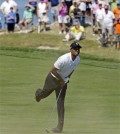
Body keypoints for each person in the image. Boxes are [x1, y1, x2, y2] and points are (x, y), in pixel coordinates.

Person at [35, 42, 82, 133]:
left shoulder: (78, 59)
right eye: (75, 48)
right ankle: (38, 94)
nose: (77, 50)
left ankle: (59, 127)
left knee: (60, 102)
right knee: (45, 94)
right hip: (52, 78)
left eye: (78, 48)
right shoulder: (63, 59)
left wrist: (67, 78)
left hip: (62, 81)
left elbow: (71, 69)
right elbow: (53, 70)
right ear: (70, 49)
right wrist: (61, 80)